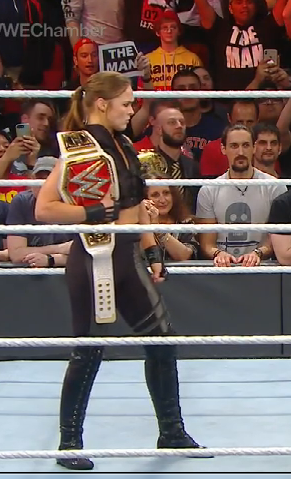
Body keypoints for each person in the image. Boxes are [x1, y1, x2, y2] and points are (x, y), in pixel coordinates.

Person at [34, 71, 205, 471]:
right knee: (89, 350)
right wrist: (90, 212)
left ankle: (171, 431)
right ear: (102, 104)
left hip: (128, 257)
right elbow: (44, 208)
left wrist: (152, 250)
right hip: (95, 258)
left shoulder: (125, 145)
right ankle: (69, 443)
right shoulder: (79, 148)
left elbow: (134, 206)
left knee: (163, 341)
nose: (132, 110)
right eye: (126, 103)